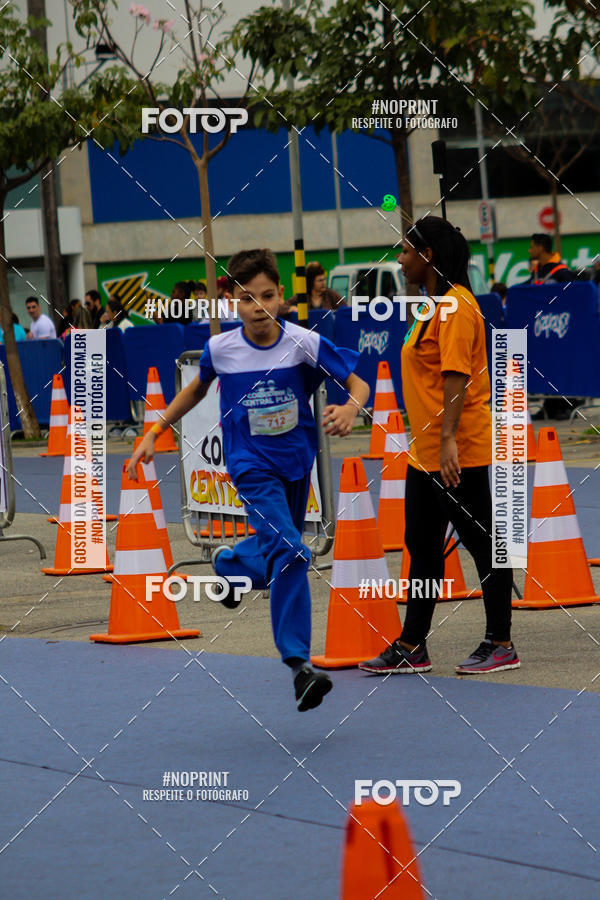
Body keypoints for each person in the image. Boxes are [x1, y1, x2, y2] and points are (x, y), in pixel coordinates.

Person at [129, 248, 370, 711]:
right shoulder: (222, 349)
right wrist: (154, 433)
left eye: (267, 296)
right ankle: (299, 665)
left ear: (281, 297)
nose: (259, 307)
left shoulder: (303, 343)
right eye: (247, 299)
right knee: (294, 551)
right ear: (232, 303)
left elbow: (358, 382)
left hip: (297, 464)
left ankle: (230, 565)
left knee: (280, 554)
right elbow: (195, 390)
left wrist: (350, 408)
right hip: (250, 467)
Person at [359, 216, 519, 677]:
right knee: (423, 546)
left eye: (406, 251)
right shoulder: (433, 306)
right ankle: (413, 644)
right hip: (426, 451)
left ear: (427, 256)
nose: (400, 259)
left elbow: (456, 376)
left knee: (484, 543)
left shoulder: (458, 306)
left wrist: (448, 439)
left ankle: (501, 643)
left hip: (459, 449)